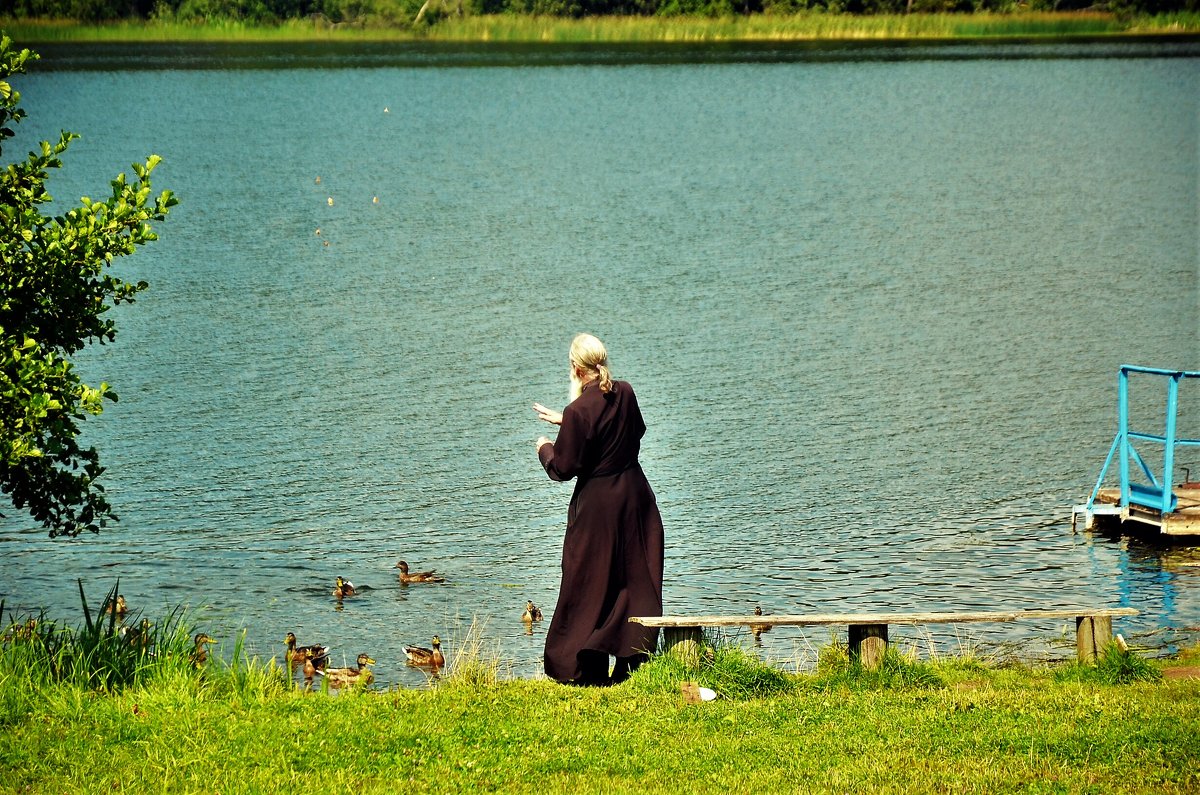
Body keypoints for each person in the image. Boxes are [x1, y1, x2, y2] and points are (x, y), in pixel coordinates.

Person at [532, 333, 664, 686]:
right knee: (633, 579)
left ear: (575, 368)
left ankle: (580, 667)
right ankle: (633, 663)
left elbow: (562, 468)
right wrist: (569, 424)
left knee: (588, 582)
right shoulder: (626, 390)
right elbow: (633, 432)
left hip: (598, 509)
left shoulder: (579, 411)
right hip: (635, 498)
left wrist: (545, 447)